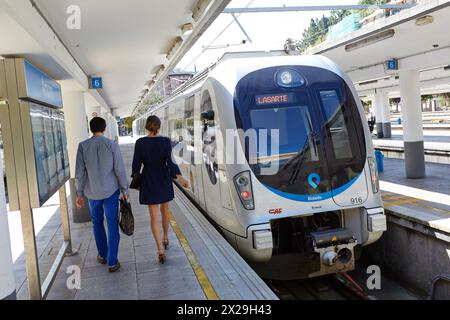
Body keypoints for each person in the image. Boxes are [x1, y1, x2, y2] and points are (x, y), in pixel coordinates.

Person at [132, 115, 189, 264]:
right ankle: (165, 237)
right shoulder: (165, 142)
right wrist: (180, 177)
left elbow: (136, 166)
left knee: (153, 216)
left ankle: (159, 249)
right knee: (165, 210)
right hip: (163, 178)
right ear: (159, 127)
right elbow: (170, 162)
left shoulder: (140, 143)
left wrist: (136, 178)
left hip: (149, 179)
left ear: (147, 127)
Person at [75, 117, 129, 272]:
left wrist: (79, 194)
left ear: (90, 129)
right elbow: (119, 169)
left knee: (97, 223)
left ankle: (103, 255)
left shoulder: (83, 146)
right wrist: (124, 190)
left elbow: (80, 173)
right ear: (104, 128)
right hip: (111, 192)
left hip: (92, 193)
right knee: (112, 225)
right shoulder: (112, 145)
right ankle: (112, 261)